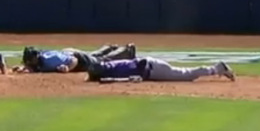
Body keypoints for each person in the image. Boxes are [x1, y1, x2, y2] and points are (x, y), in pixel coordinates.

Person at [86, 58, 235, 83]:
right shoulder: (112, 66)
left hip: (155, 68)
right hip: (153, 66)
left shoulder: (113, 69)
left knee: (186, 75)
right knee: (185, 74)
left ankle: (217, 68)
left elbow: (135, 73)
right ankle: (216, 69)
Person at [14, 44, 137, 73]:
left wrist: (67, 67)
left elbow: (74, 60)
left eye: (29, 60)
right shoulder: (39, 59)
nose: (28, 62)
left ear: (35, 57)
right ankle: (108, 47)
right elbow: (35, 67)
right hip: (67, 52)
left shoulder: (50, 60)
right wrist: (23, 68)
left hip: (75, 57)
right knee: (93, 56)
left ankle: (127, 49)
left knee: (102, 61)